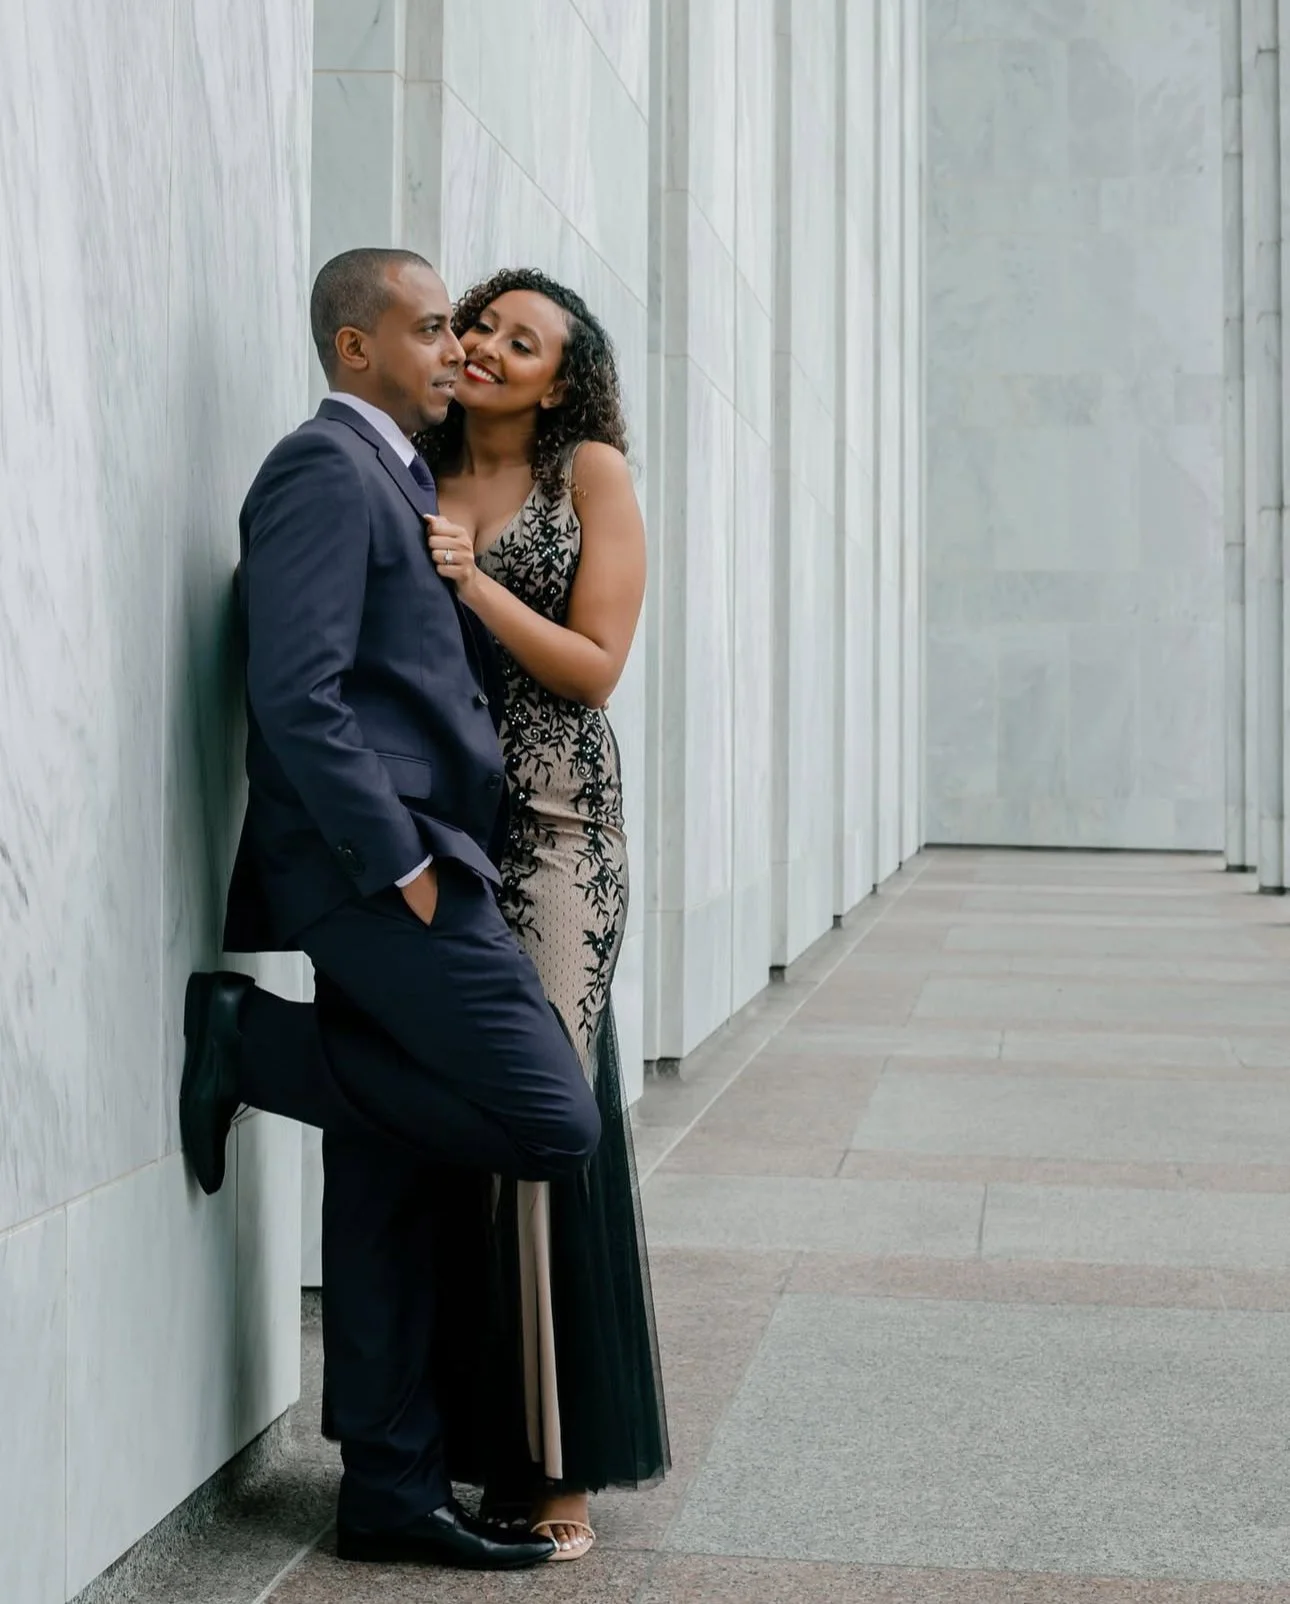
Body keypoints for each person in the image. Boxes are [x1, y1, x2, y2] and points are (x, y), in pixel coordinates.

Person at [178, 248, 601, 1572]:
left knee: (384, 1180)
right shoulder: (324, 467)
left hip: (416, 867)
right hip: (386, 879)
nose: (454, 350)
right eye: (430, 330)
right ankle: (251, 1042)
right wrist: (397, 861)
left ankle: (389, 1485)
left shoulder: (401, 479)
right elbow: (296, 691)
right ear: (357, 350)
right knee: (549, 1112)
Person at [416, 267, 669, 1561]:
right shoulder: (409, 462)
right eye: (477, 327)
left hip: (557, 835)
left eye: (521, 342)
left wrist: (470, 582)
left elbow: (593, 667)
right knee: (451, 1128)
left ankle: (557, 1469)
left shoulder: (591, 479)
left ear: (560, 377)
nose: (487, 350)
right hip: (435, 826)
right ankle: (464, 1447)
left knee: (539, 1115)